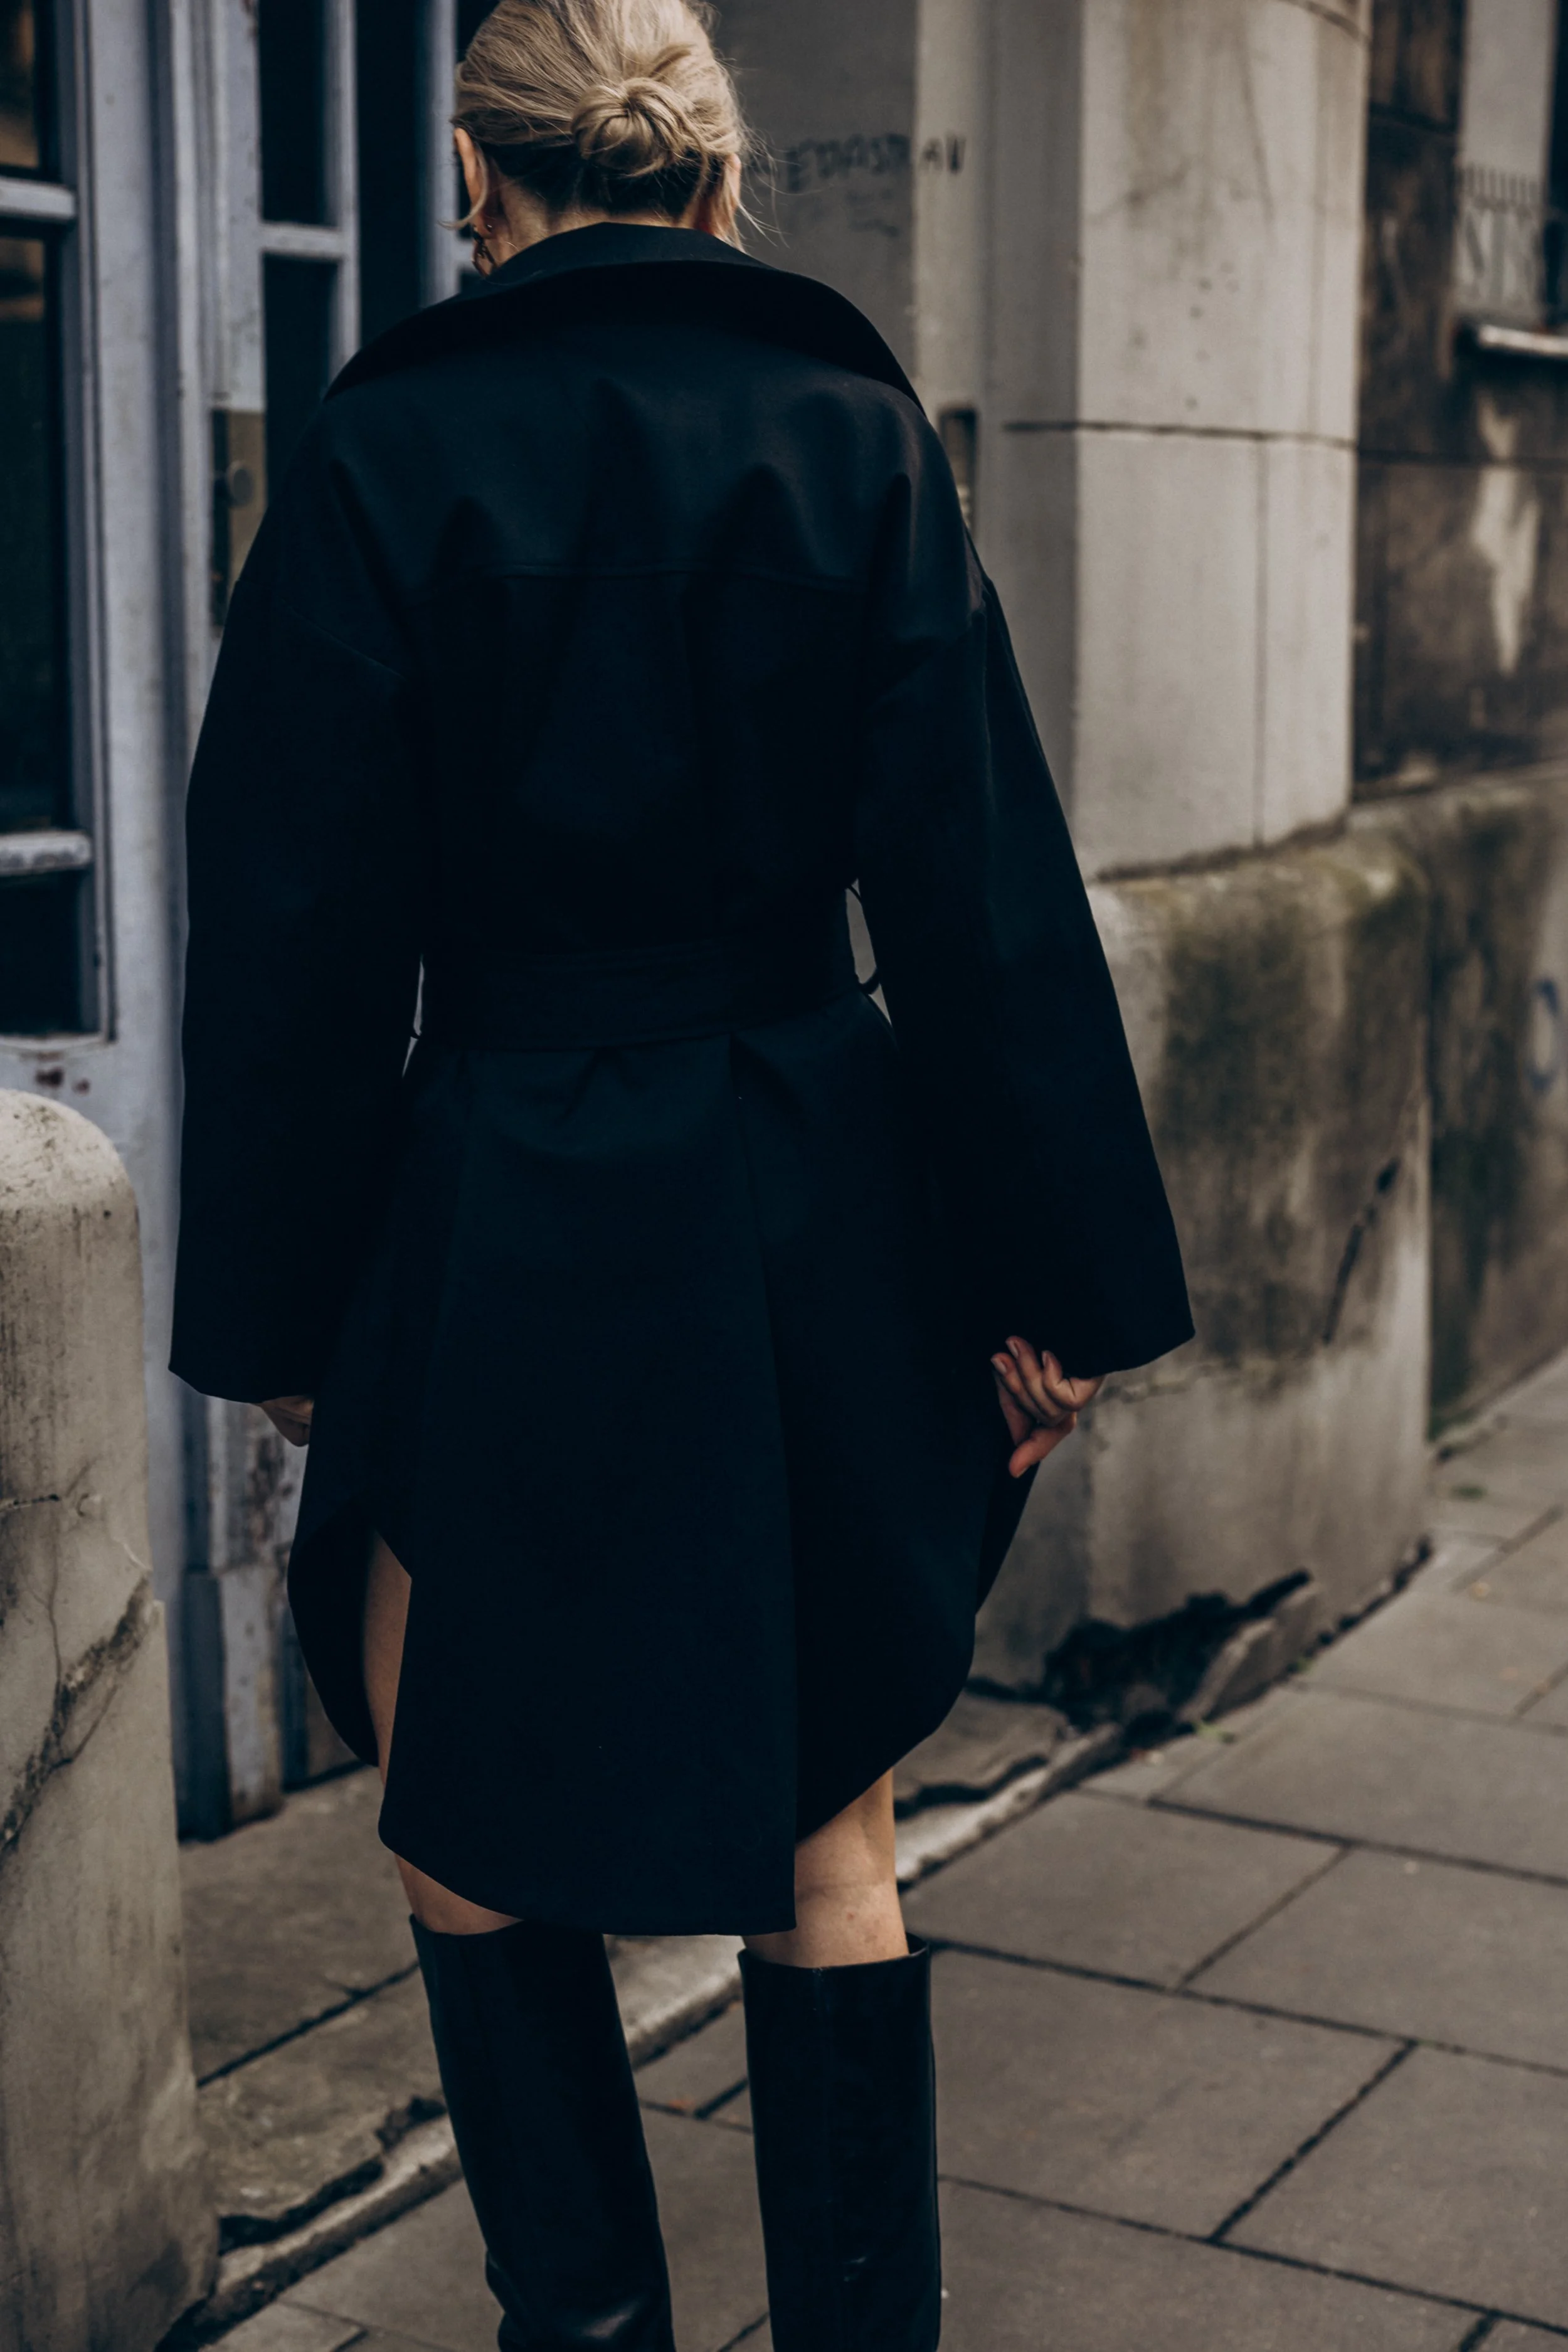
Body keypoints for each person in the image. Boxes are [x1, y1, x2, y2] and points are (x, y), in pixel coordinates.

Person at [171, 2, 1192, 2343]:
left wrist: (286, 1317)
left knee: (457, 1812)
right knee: (822, 1821)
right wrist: (1045, 1277)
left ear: (469, 177)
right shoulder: (852, 437)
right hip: (803, 1190)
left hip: (493, 1200)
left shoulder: (379, 454)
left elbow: (298, 935)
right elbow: (983, 898)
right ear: (724, 185)